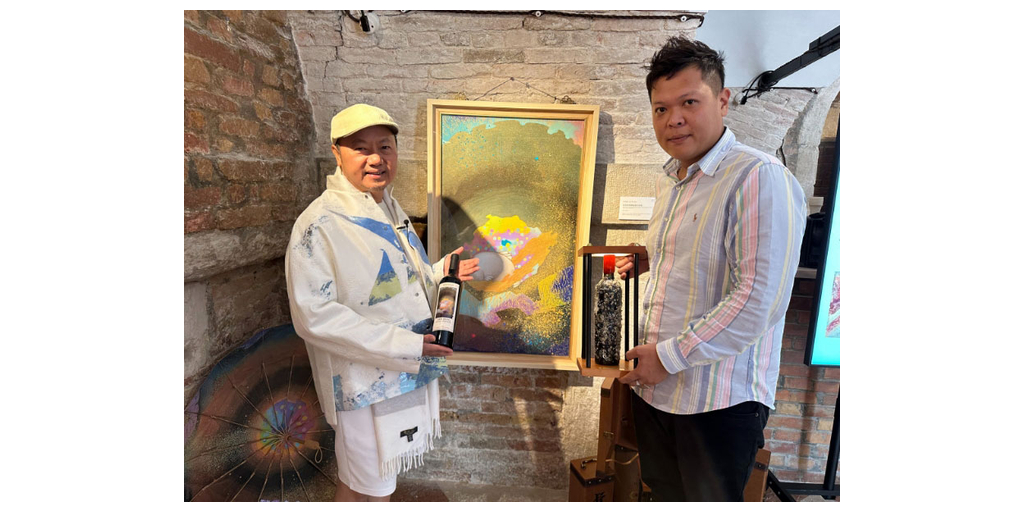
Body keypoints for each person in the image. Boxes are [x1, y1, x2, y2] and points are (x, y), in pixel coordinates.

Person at [616, 37, 807, 501]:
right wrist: (652, 257)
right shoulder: (672, 181)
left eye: (689, 102)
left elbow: (758, 299)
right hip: (656, 394)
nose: (673, 119)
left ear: (722, 100)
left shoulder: (758, 176)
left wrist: (667, 357)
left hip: (717, 402)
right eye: (661, 109)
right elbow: (702, 258)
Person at [285, 103, 479, 502]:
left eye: (385, 147)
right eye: (361, 148)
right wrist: (406, 344)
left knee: (360, 481)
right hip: (362, 383)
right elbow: (313, 316)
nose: (376, 158)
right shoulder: (319, 224)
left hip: (400, 373)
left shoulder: (387, 208)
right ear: (337, 153)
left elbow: (395, 283)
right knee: (372, 487)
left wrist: (441, 272)